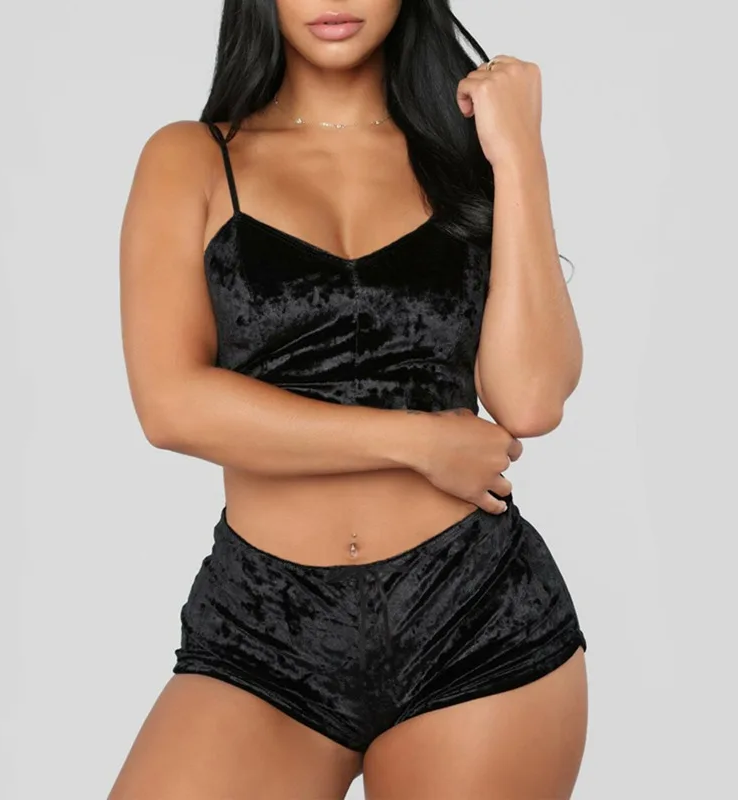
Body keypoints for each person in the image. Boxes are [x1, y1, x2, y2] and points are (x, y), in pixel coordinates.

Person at [111, 1, 589, 798]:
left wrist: (518, 156)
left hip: (474, 615)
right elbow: (171, 405)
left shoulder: (463, 160)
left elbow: (531, 400)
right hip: (264, 625)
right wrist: (416, 442)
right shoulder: (191, 158)